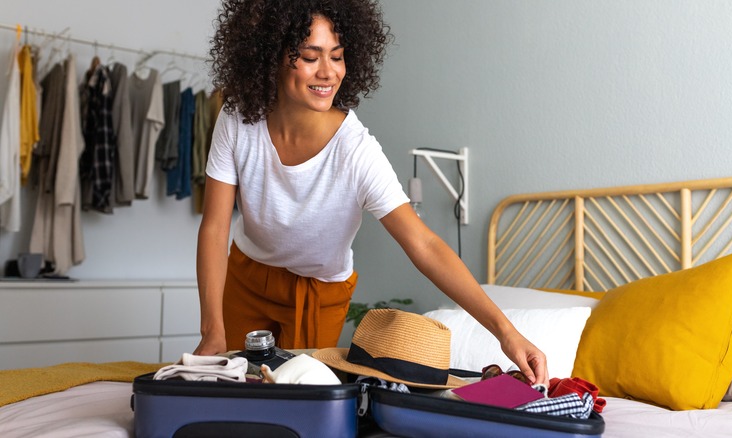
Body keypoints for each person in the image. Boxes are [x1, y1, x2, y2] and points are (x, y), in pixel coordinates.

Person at [193, 0, 549, 386]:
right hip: (247, 276)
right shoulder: (238, 117)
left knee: (295, 398)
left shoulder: (356, 151)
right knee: (229, 390)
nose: (328, 73)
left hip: (319, 291)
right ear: (272, 56)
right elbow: (214, 226)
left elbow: (425, 245)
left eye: (338, 56)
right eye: (310, 57)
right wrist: (212, 329)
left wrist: (506, 333)